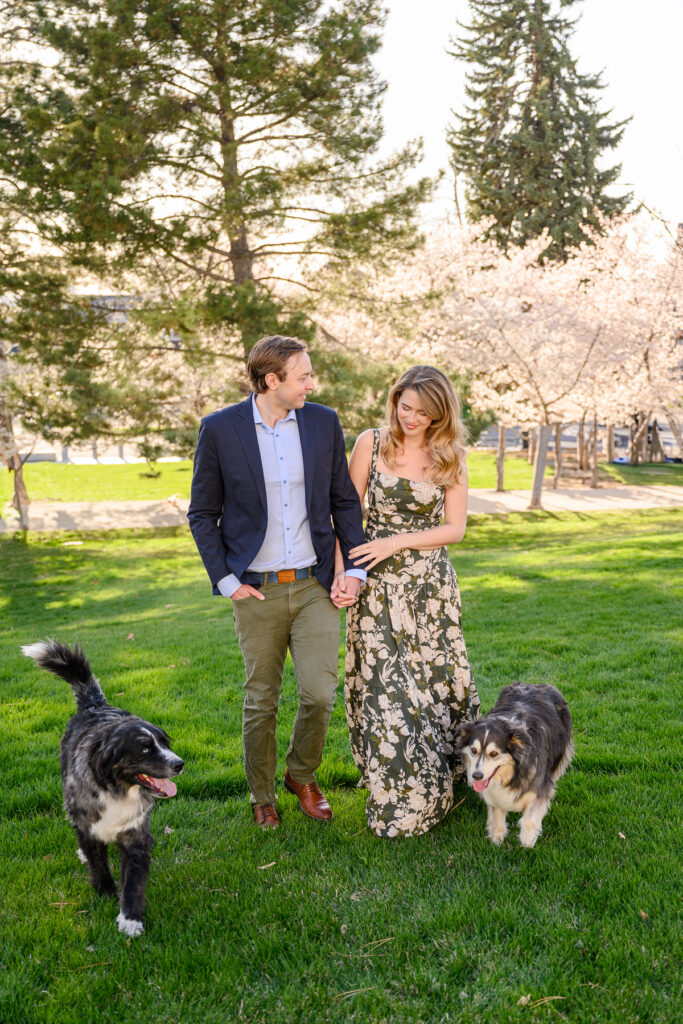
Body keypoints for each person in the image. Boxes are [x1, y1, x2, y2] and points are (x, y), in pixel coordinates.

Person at [188, 335, 365, 829]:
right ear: (273, 381)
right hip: (256, 588)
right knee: (261, 698)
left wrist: (353, 568)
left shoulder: (322, 422)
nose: (312, 383)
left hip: (314, 584)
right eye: (304, 375)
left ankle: (301, 774)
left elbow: (343, 501)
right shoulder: (221, 429)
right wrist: (226, 580)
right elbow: (202, 513)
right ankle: (261, 794)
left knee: (319, 693)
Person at [333, 365, 481, 838]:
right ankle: (399, 791)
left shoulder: (449, 455)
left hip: (428, 590)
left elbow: (454, 529)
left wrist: (395, 543)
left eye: (424, 412)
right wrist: (345, 571)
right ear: (395, 399)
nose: (412, 418)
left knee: (435, 683)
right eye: (406, 406)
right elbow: (348, 513)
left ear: (441, 414)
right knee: (385, 689)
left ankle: (454, 774)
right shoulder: (370, 443)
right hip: (375, 589)